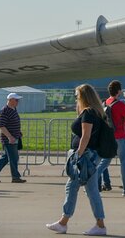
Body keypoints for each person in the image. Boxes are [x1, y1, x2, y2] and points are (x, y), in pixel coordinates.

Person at [46, 84, 107, 236]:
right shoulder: (95, 112)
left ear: (84, 97)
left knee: (74, 187)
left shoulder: (88, 113)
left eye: (77, 96)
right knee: (88, 190)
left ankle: (64, 223)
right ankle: (97, 225)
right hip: (90, 155)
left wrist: (78, 155)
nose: (76, 98)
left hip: (85, 156)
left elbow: (85, 136)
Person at [98, 80, 125, 196]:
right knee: (124, 163)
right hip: (120, 136)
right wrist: (122, 122)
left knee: (104, 162)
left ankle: (90, 181)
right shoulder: (120, 105)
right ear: (119, 91)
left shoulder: (105, 103)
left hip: (109, 137)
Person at [0, 92, 25, 184]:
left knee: (6, 157)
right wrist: (10, 137)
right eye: (16, 100)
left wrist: (18, 132)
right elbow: (1, 126)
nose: (18, 102)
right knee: (14, 158)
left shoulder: (13, 109)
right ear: (11, 100)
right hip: (9, 139)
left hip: (14, 137)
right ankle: (15, 177)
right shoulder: (5, 110)